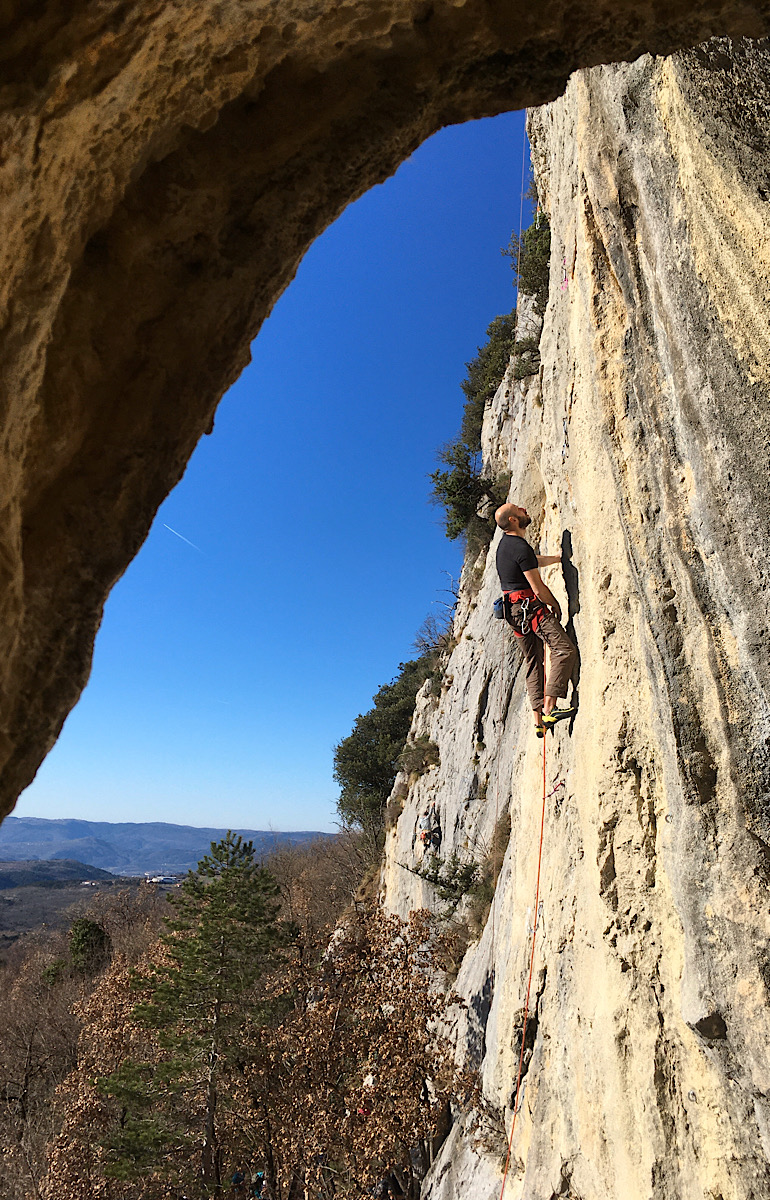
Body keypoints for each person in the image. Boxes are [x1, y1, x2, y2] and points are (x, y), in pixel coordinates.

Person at [494, 502, 577, 737]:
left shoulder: (507, 546)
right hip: (529, 608)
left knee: (533, 662)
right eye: (519, 510)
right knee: (563, 649)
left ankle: (538, 720)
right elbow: (538, 588)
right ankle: (550, 708)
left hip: (513, 613)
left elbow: (532, 561)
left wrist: (557, 559)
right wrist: (555, 603)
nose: (524, 510)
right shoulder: (518, 546)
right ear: (513, 520)